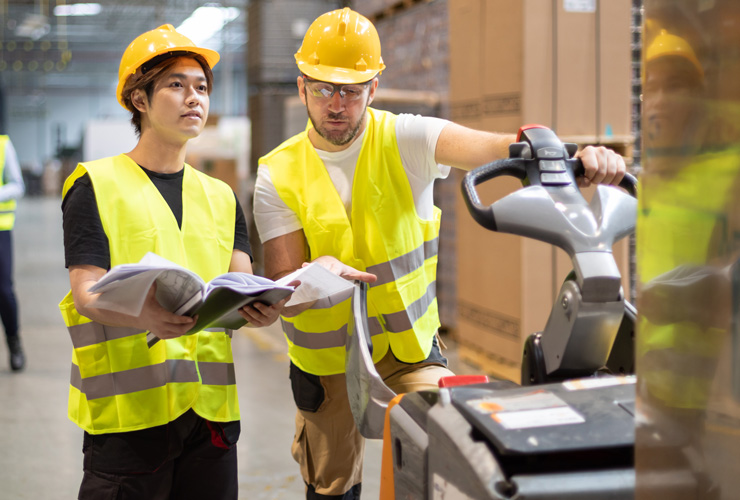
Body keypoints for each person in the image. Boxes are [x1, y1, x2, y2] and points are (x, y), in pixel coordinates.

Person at [252, 7, 626, 499]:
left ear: (373, 89)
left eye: (351, 90)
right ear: (302, 88)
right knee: (331, 486)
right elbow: (283, 292)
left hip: (409, 350)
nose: (336, 104)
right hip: (325, 362)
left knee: (451, 452)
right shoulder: (277, 173)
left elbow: (496, 148)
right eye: (323, 89)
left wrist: (572, 157)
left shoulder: (406, 138)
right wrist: (313, 272)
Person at [59, 24, 288, 499]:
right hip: (128, 421)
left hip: (211, 417)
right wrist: (142, 316)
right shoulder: (94, 185)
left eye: (201, 87)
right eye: (176, 85)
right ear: (139, 99)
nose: (194, 98)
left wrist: (258, 309)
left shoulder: (222, 196)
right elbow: (85, 295)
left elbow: (239, 285)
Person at [0, 135, 25, 372]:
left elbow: (18, 185)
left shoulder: (3, 145)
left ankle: (14, 341)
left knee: (4, 291)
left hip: (0, 230)